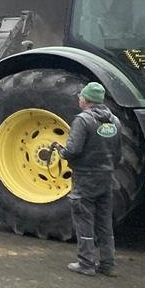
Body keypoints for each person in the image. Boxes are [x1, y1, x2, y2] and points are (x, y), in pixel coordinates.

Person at [53, 82, 122, 277]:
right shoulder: (115, 121)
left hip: (85, 178)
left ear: (86, 100)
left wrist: (61, 151)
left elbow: (73, 150)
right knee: (104, 222)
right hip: (106, 178)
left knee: (84, 220)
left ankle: (86, 263)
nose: (79, 99)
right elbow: (119, 153)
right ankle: (108, 264)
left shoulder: (83, 121)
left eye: (81, 96)